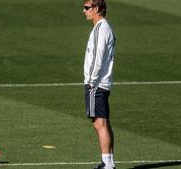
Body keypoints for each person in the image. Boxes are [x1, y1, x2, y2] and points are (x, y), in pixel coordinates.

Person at [83, 0, 116, 169]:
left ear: (97, 9)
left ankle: (108, 165)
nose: (84, 11)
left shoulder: (101, 29)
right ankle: (108, 162)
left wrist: (91, 82)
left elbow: (97, 58)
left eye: (87, 8)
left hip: (97, 84)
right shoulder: (104, 28)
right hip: (103, 83)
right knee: (104, 123)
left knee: (99, 123)